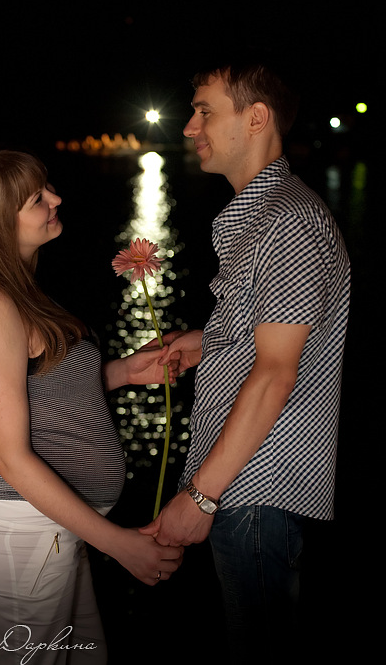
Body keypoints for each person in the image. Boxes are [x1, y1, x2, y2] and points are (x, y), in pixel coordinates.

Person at [0, 149, 184, 664]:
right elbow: (9, 458)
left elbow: (40, 391)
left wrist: (124, 372)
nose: (56, 199)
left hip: (43, 530)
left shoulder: (17, 294)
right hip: (12, 533)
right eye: (36, 198)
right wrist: (118, 544)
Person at [141, 55, 351, 662]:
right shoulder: (263, 218)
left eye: (204, 112)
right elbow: (277, 343)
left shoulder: (286, 222)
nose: (190, 127)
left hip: (254, 489)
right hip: (245, 488)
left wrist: (201, 497)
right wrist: (205, 342)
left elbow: (277, 373)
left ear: (256, 118)